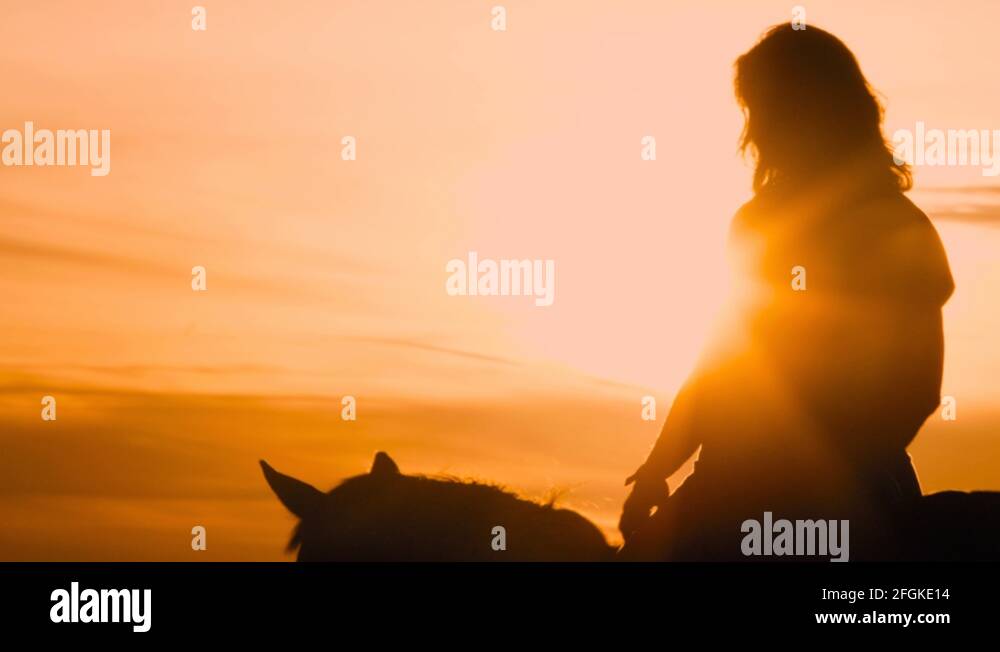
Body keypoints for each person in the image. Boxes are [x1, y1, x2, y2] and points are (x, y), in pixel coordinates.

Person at [619, 23, 955, 560]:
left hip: (848, 488)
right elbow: (720, 364)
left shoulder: (897, 229)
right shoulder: (754, 223)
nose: (757, 128)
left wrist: (821, 474)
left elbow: (916, 388)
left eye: (765, 107)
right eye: (753, 110)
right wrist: (660, 466)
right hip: (731, 478)